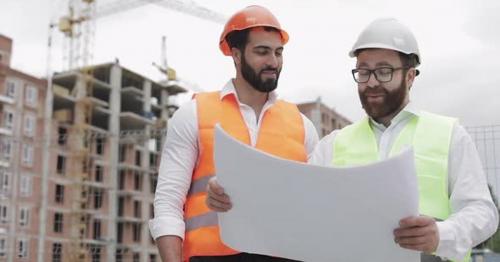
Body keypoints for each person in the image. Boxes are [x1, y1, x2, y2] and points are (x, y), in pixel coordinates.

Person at [207, 18, 498, 262]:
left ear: (410, 76)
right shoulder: (333, 144)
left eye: (384, 71)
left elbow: (482, 212)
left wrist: (440, 235)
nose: (371, 82)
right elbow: (295, 207)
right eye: (363, 71)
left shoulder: (449, 135)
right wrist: (235, 195)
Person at [149, 5, 319, 262]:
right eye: (262, 52)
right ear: (236, 55)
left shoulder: (302, 125)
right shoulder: (193, 114)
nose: (273, 62)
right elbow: (168, 203)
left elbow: (315, 207)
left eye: (278, 52)